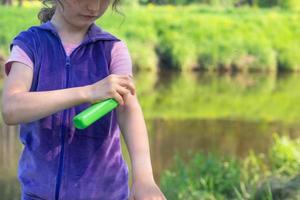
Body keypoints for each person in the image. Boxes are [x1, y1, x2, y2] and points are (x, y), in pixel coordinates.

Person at [1, 0, 166, 199]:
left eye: (104, 0)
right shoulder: (29, 45)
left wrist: (144, 179)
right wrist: (88, 92)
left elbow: (129, 109)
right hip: (38, 194)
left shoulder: (113, 49)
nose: (94, 8)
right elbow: (11, 108)